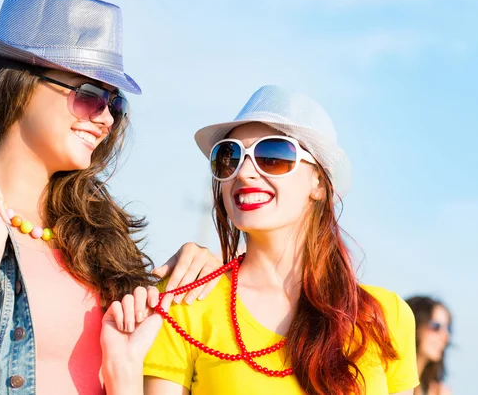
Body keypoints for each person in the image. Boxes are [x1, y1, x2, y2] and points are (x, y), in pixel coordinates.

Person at [0, 0, 221, 395]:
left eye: (114, 104)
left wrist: (199, 276)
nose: (106, 119)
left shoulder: (106, 241)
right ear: (18, 87)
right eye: (89, 97)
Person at [144, 85, 420, 394]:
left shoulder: (384, 316)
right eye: (229, 156)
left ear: (318, 182)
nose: (245, 172)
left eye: (272, 155)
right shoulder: (184, 303)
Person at [406, 296, 452, 395]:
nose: (446, 336)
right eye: (436, 326)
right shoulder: (388, 381)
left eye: (447, 328)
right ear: (415, 324)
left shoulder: (433, 389)